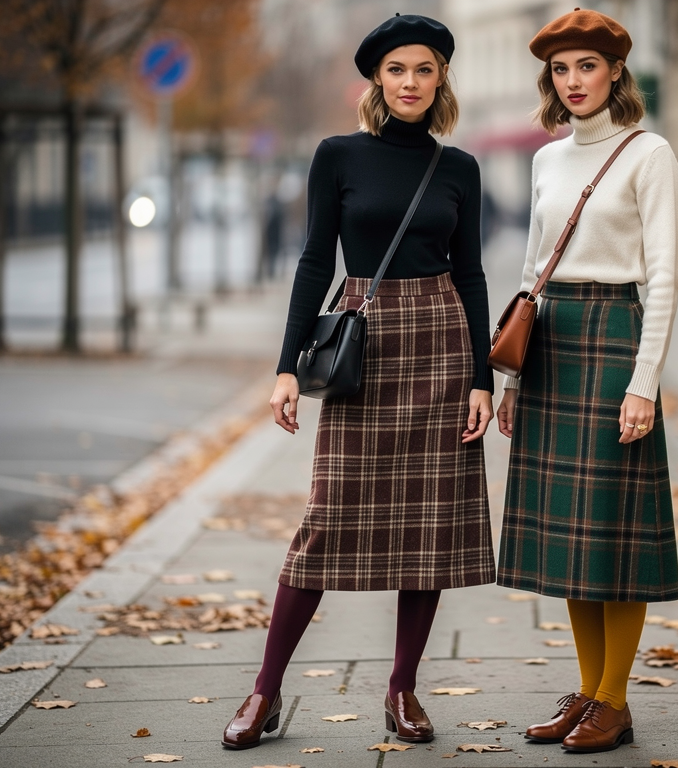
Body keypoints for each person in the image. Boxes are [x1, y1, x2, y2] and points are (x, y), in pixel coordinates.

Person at [222, 13, 495, 750]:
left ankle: (403, 688)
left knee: (429, 529)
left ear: (442, 79)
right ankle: (264, 692)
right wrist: (286, 366)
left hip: (440, 348)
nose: (411, 82)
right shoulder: (338, 155)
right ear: (377, 78)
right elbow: (315, 262)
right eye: (398, 69)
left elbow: (470, 274)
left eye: (425, 69)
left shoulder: (460, 167)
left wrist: (481, 379)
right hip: (363, 348)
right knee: (326, 522)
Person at [495, 8, 678, 755]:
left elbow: (665, 276)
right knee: (570, 538)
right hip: (554, 341)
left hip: (613, 338)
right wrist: (513, 380)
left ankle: (615, 699)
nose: (573, 81)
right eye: (561, 69)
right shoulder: (546, 159)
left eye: (587, 67)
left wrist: (644, 381)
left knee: (613, 532)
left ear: (614, 73)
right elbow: (530, 273)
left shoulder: (649, 153)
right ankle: (586, 691)